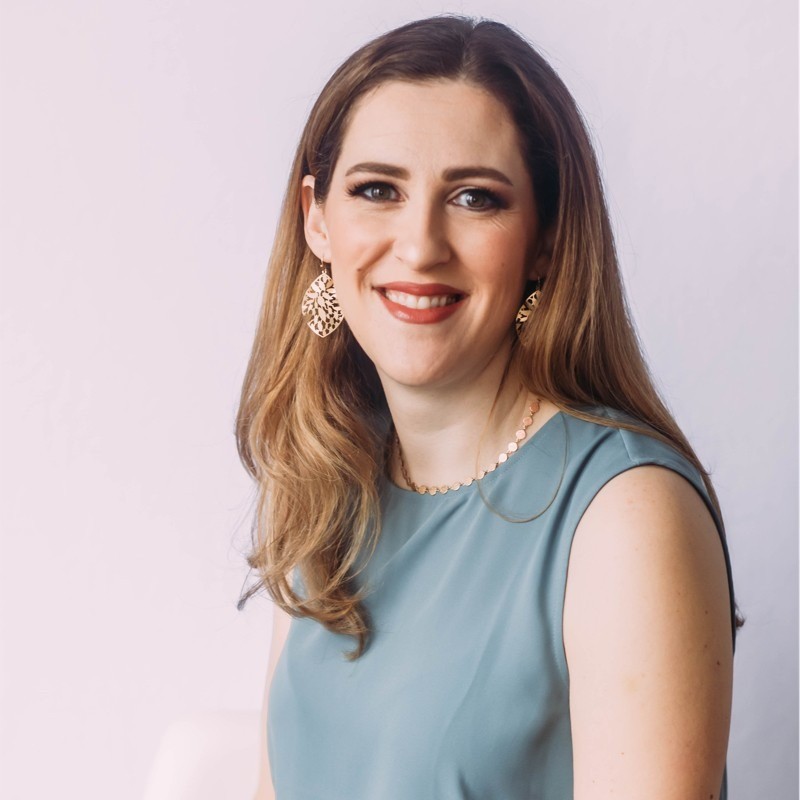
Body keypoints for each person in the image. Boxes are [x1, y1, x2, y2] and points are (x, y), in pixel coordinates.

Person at [235, 14, 741, 800]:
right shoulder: (325, 484)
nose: (420, 245)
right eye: (377, 190)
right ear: (317, 219)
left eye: (475, 198)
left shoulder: (627, 514)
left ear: (545, 239)